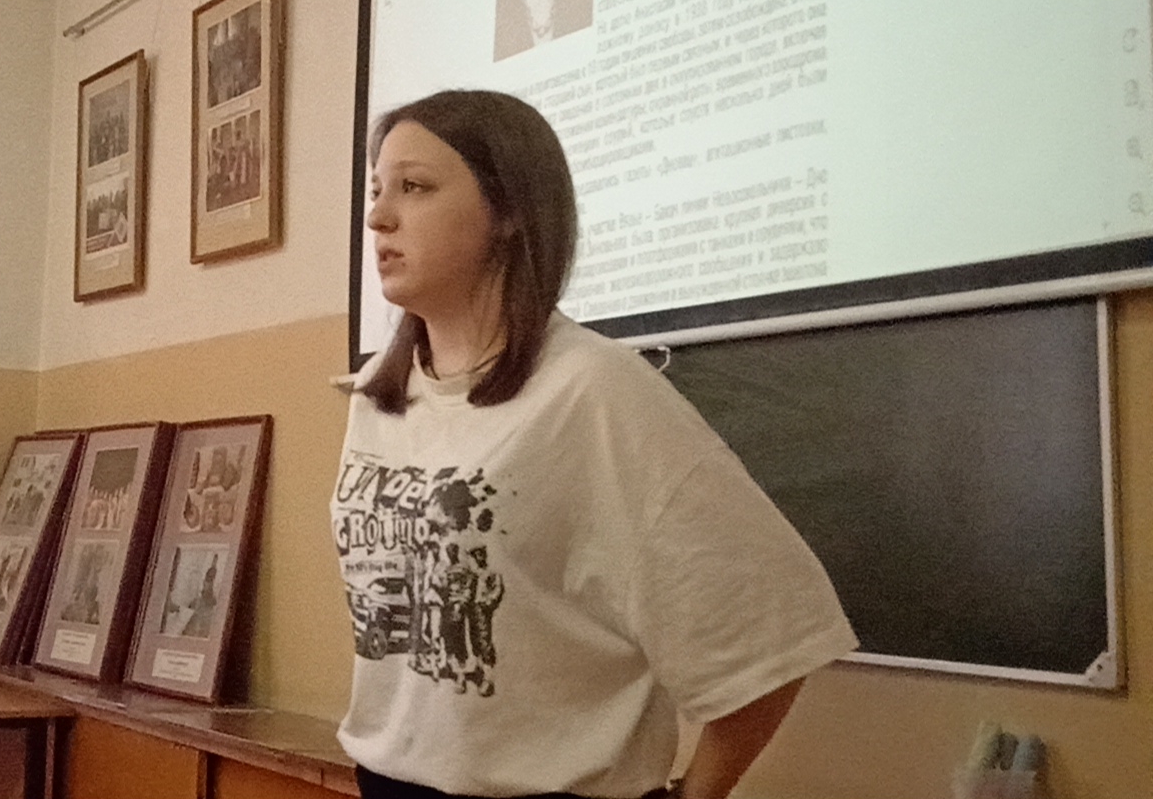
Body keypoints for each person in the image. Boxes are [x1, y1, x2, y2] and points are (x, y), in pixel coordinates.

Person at [333, 90, 855, 799]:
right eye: (377, 190)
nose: (378, 217)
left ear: (509, 211)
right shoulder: (377, 394)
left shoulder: (594, 390)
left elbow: (775, 623)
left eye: (414, 187)